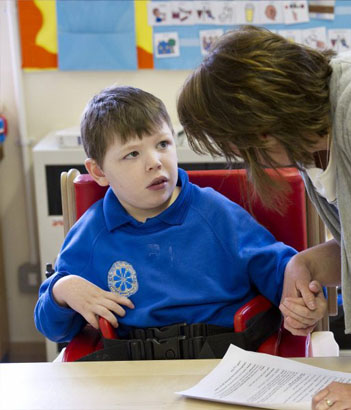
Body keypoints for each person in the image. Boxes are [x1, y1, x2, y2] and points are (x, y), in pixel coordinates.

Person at [177, 26, 351, 409]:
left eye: (236, 146)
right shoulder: (313, 133)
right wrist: (304, 264)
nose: (243, 158)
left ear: (261, 131)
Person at [34, 86, 325, 359]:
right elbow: (55, 328)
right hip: (132, 372)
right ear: (98, 171)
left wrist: (304, 301)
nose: (155, 162)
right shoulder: (91, 233)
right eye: (132, 154)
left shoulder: (215, 213)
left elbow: (280, 269)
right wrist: (62, 289)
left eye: (162, 144)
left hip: (226, 361)